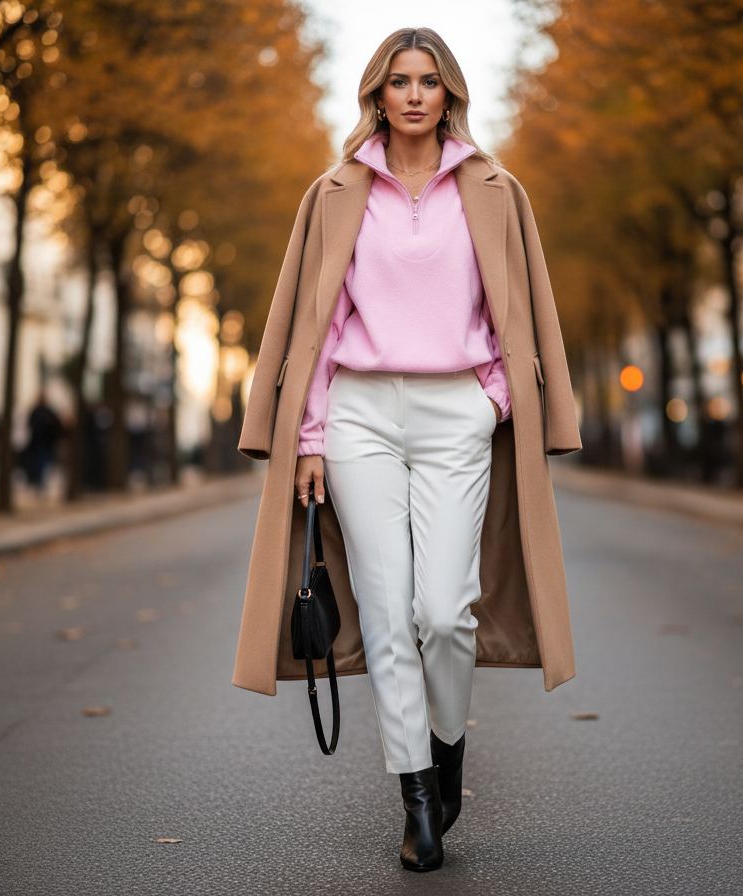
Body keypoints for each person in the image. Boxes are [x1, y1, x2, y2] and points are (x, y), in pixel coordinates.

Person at [232, 28, 581, 872]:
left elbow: (517, 311)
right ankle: (418, 798)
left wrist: (491, 399)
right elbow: (318, 325)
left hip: (456, 410)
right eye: (400, 82)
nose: (415, 95)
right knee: (387, 613)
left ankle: (446, 750)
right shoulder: (335, 192)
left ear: (448, 92)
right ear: (378, 96)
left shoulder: (494, 189)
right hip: (359, 414)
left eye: (429, 81)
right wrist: (309, 436)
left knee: (445, 612)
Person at [24, 392, 63, 489]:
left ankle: (39, 480)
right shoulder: (46, 411)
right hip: (43, 441)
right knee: (43, 461)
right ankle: (39, 480)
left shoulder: (38, 411)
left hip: (43, 441)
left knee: (42, 461)